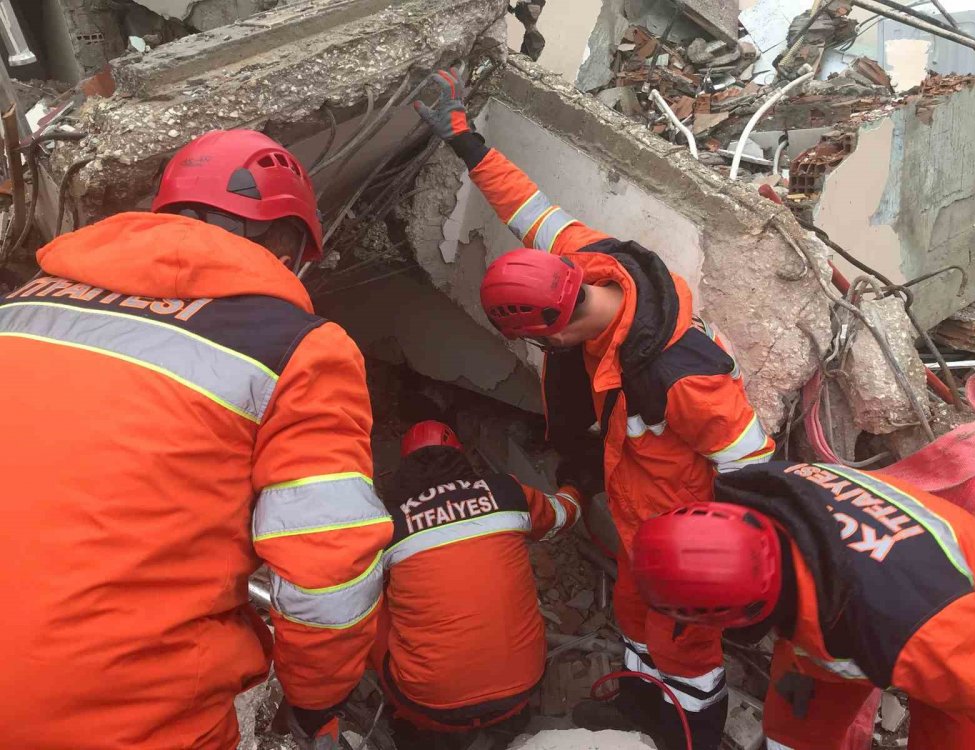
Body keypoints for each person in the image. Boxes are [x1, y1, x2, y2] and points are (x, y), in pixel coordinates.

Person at [415, 67, 775, 748]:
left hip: (684, 543)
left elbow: (757, 470)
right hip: (640, 529)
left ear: (553, 326)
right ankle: (641, 712)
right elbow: (530, 210)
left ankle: (685, 735)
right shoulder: (590, 266)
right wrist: (465, 142)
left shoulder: (678, 377)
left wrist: (735, 574)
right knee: (635, 625)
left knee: (686, 657)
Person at [0, 130, 392, 749]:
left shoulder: (19, 309)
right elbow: (330, 574)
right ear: (288, 243)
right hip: (129, 715)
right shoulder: (298, 349)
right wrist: (316, 704)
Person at [630, 460, 975, 750]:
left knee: (951, 729)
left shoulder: (916, 635)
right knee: (794, 733)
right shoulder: (763, 489)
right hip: (868, 593)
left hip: (972, 616)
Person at [370, 420, 582, 748]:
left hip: (430, 708)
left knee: (369, 603)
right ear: (460, 457)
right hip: (522, 687)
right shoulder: (506, 492)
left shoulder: (389, 526)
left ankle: (408, 723)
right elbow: (563, 514)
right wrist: (575, 483)